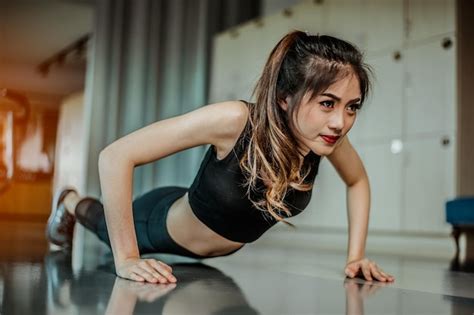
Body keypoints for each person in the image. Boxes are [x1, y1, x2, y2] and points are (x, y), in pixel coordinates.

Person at [46, 30, 395, 284]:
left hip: (204, 249)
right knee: (100, 223)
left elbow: (357, 180)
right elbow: (114, 156)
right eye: (327, 103)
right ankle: (72, 200)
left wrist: (356, 256)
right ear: (285, 98)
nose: (340, 122)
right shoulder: (236, 120)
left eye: (352, 107)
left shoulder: (323, 139)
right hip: (156, 225)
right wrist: (127, 259)